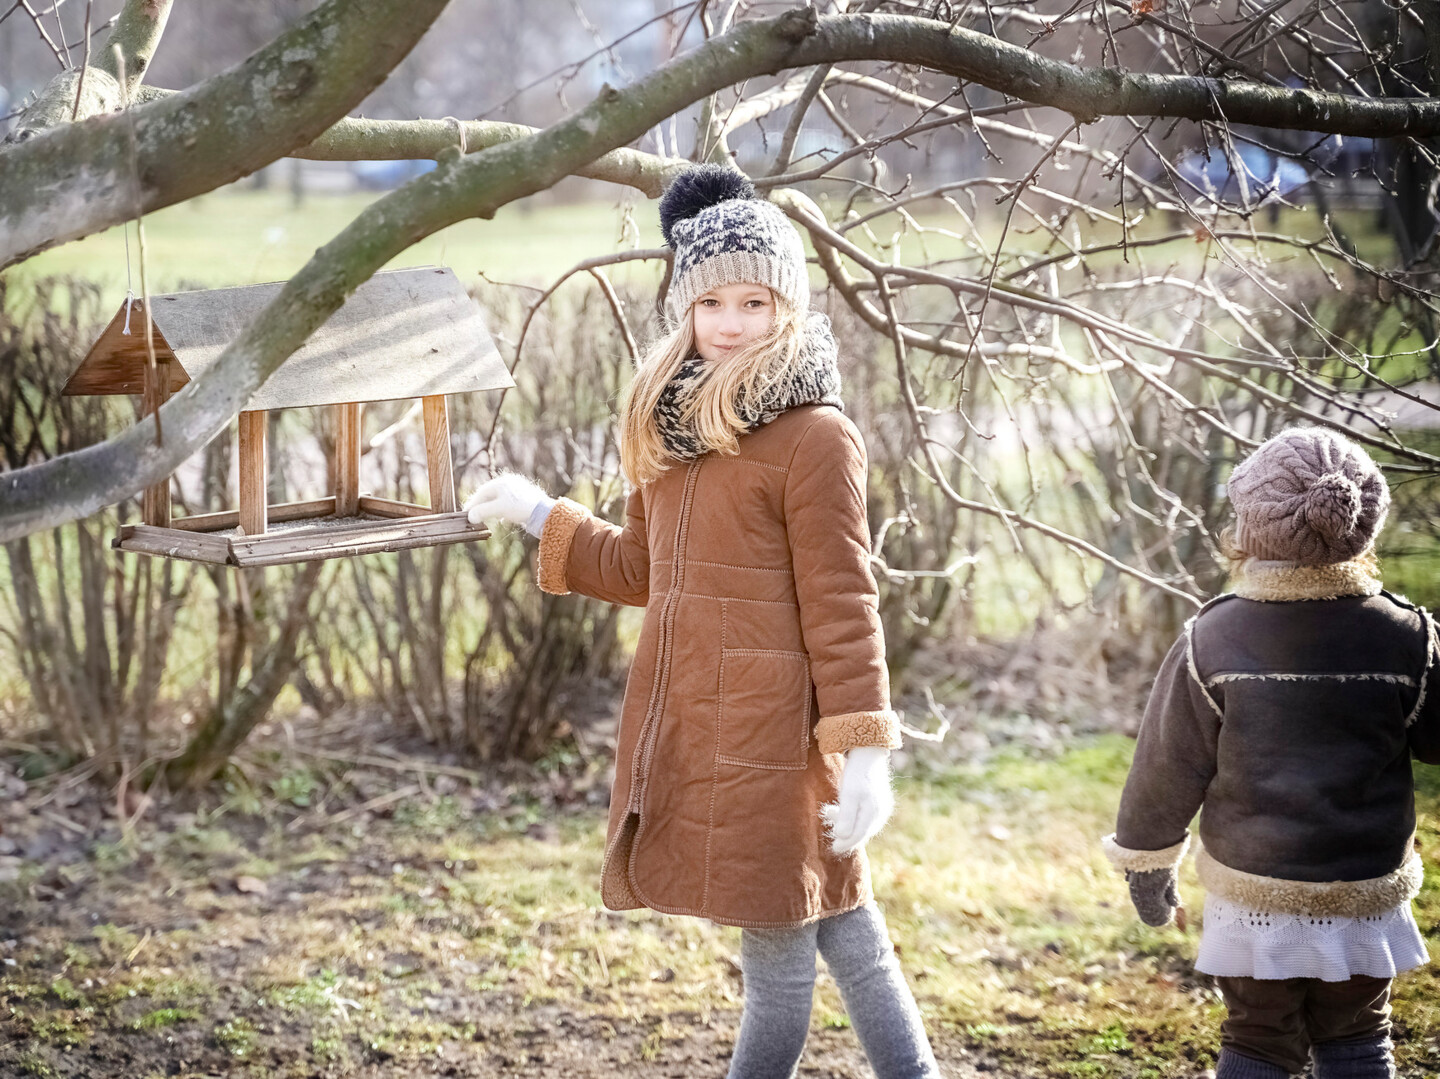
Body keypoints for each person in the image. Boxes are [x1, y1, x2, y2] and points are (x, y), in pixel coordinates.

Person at [464, 164, 939, 1079]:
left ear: (788, 308)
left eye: (754, 302)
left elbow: (844, 601)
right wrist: (540, 515)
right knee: (849, 932)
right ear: (683, 306)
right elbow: (645, 571)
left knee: (780, 962)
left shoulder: (815, 435)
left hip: (775, 735)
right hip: (696, 719)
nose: (730, 321)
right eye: (712, 300)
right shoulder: (667, 426)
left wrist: (867, 749)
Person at [1102, 427, 1440, 1079]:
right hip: (1364, 888)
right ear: (1364, 526)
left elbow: (1165, 769)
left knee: (1257, 1038)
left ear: (1250, 529)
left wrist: (1148, 872)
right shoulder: (1407, 637)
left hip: (1256, 895)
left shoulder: (1212, 639)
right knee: (1359, 1035)